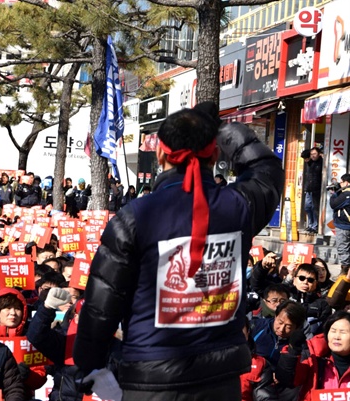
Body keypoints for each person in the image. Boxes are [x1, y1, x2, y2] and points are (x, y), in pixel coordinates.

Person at [73, 102, 284, 400]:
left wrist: (88, 365)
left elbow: (102, 303)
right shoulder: (240, 205)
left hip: (150, 376)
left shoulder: (134, 216)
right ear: (214, 154)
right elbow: (267, 169)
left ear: (160, 153)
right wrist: (222, 129)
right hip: (221, 378)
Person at [276, 311, 350, 400]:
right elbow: (287, 378)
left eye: (343, 332)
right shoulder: (314, 358)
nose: (337, 337)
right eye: (333, 331)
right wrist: (292, 351)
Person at [330, 173, 350, 274]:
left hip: (344, 226)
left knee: (343, 248)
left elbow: (334, 204)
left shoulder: (346, 194)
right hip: (345, 225)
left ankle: (345, 273)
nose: (340, 184)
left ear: (347, 182)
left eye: (341, 182)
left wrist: (334, 193)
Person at [303, 147, 323, 233]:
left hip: (317, 189)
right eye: (311, 154)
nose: (313, 156)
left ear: (319, 154)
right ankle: (310, 224)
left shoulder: (321, 162)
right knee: (307, 207)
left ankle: (315, 226)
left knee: (315, 208)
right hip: (308, 188)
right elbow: (303, 154)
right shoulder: (310, 162)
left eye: (315, 154)